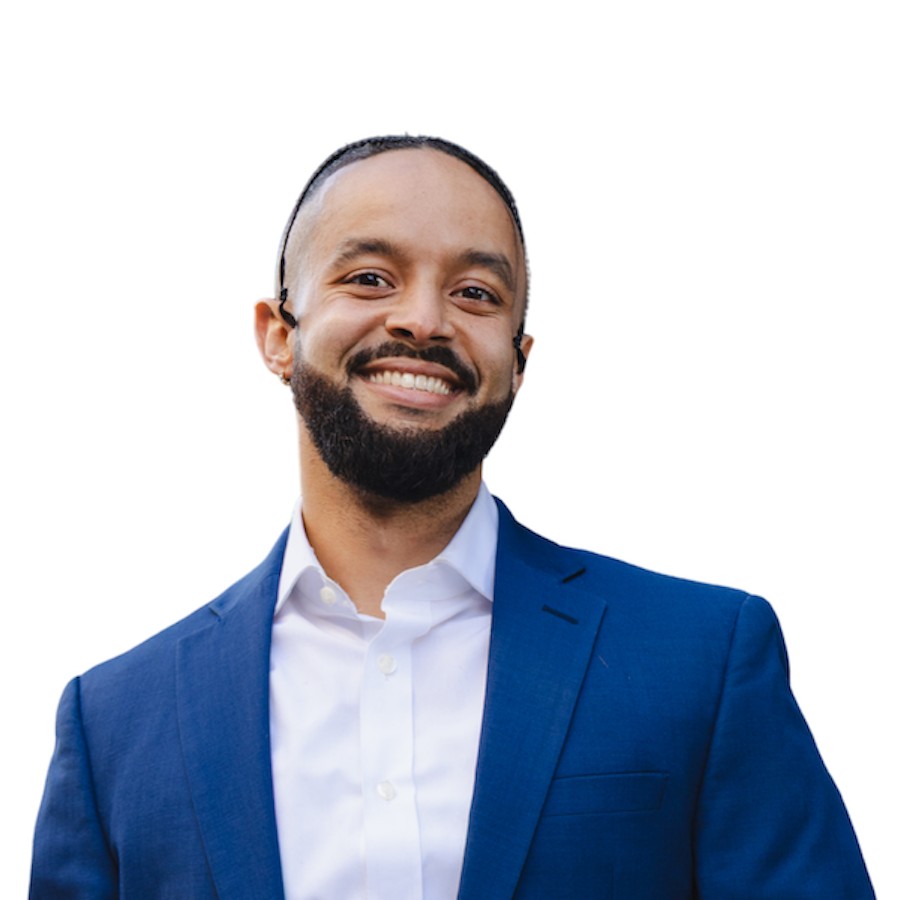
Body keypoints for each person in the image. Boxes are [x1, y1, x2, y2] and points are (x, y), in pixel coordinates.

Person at [30, 135, 874, 899]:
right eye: (370, 277)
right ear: (278, 335)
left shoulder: (703, 661)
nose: (424, 320)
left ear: (519, 361)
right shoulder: (114, 727)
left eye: (475, 292)